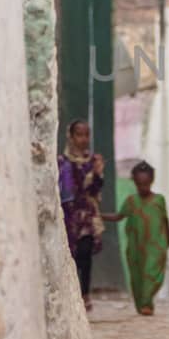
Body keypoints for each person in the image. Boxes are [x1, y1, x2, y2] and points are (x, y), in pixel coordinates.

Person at [103, 161, 169, 316]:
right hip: (136, 246)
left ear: (151, 181)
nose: (143, 187)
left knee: (151, 272)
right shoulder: (131, 201)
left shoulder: (159, 200)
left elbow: (165, 221)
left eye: (146, 183)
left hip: (156, 245)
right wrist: (99, 215)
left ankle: (147, 302)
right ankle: (142, 304)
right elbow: (119, 216)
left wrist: (168, 241)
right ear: (134, 182)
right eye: (140, 184)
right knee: (137, 275)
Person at [58, 119, 104, 311]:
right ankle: (71, 292)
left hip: (86, 215)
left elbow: (95, 189)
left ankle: (85, 294)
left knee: (85, 254)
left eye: (86, 135)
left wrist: (98, 174)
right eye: (79, 134)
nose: (83, 139)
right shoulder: (62, 161)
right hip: (68, 215)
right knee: (72, 254)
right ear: (71, 136)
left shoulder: (93, 161)